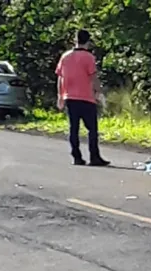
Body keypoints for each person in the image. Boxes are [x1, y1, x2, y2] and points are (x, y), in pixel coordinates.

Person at [55, 29, 110, 167]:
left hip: (70, 97)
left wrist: (60, 95)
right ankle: (94, 156)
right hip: (86, 97)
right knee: (92, 129)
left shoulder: (65, 56)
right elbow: (93, 77)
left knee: (74, 128)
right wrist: (99, 92)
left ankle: (76, 156)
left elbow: (60, 78)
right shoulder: (88, 58)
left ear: (75, 40)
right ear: (88, 42)